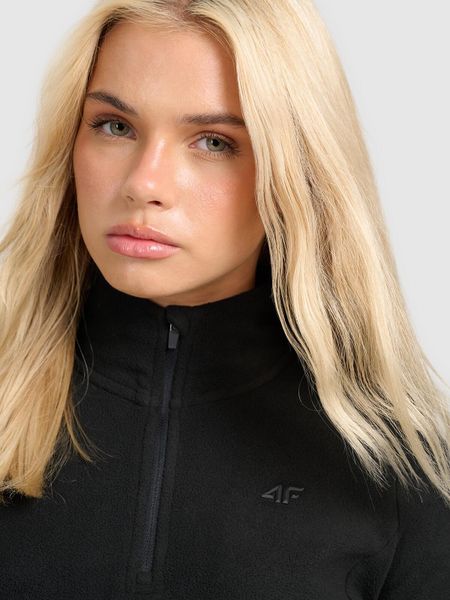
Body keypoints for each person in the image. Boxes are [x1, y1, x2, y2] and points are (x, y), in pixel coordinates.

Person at [0, 0, 449, 598]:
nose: (144, 183)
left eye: (213, 141)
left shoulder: (403, 473)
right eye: (115, 126)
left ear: (297, 173)